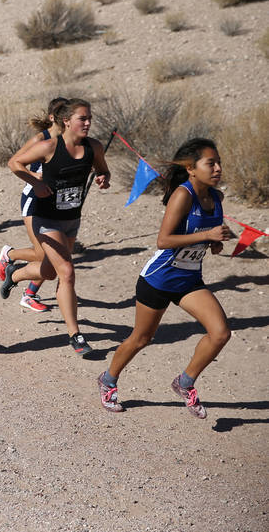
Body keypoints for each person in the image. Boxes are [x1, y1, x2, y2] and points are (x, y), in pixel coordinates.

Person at [97, 138, 231, 418]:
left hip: (189, 281)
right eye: (211, 163)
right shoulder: (183, 195)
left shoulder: (216, 198)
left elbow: (202, 237)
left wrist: (214, 243)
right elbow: (163, 240)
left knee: (220, 333)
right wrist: (207, 235)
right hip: (159, 278)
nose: (217, 168)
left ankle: (185, 382)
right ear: (192, 169)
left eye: (218, 162)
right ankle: (107, 380)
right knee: (141, 338)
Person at [2, 98, 111, 355]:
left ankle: (14, 274)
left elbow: (102, 169)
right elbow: (14, 163)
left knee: (50, 272)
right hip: (46, 218)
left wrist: (103, 178)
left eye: (89, 118)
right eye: (82, 118)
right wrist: (35, 182)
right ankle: (75, 335)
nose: (87, 123)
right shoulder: (49, 146)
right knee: (67, 272)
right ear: (67, 122)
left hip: (72, 218)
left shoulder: (94, 147)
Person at [0, 97, 67, 312]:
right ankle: (10, 255)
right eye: (64, 116)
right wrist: (37, 177)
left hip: (58, 202)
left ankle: (29, 294)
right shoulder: (40, 139)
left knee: (54, 256)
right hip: (34, 199)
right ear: (53, 118)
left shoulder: (71, 141)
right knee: (43, 255)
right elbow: (15, 163)